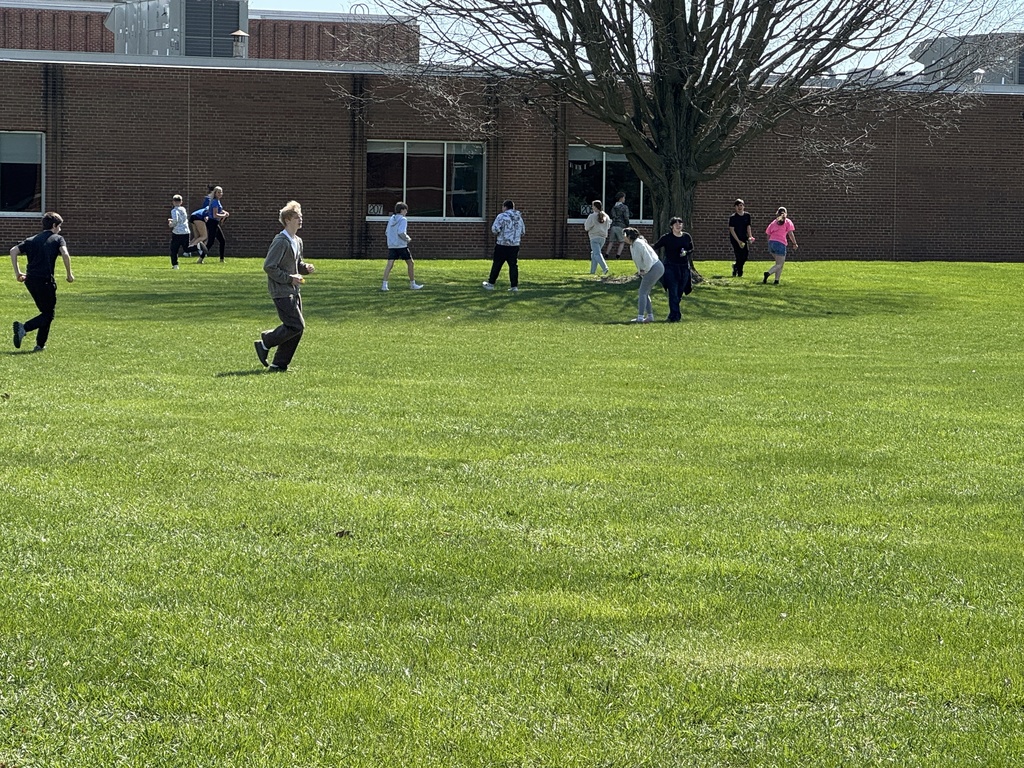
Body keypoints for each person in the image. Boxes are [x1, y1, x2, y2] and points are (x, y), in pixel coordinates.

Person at [253, 201, 314, 372]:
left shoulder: (297, 241)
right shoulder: (281, 241)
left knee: (296, 329)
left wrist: (305, 268)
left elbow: (295, 263)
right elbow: (269, 266)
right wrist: (289, 278)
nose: (300, 219)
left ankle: (279, 364)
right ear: (287, 220)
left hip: (294, 290)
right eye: (297, 217)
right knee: (296, 325)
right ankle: (266, 341)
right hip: (281, 291)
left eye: (300, 216)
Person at [10, 211, 75, 352]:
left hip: (30, 280)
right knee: (48, 314)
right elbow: (65, 253)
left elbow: (13, 250)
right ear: (54, 225)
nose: (60, 229)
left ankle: (40, 345)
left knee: (45, 312)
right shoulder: (57, 238)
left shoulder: (31, 240)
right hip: (45, 281)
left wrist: (17, 273)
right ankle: (24, 328)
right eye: (59, 226)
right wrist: (69, 274)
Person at [651, 217, 693, 323]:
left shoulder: (686, 236)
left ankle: (672, 314)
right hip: (670, 267)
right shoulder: (667, 238)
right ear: (671, 226)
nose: (678, 225)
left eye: (680, 223)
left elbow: (691, 248)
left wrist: (686, 252)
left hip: (683, 267)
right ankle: (676, 316)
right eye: (676, 224)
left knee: (679, 292)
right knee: (673, 292)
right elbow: (655, 246)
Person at [623, 227, 664, 323]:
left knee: (642, 292)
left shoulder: (638, 244)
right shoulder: (633, 245)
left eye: (624, 235)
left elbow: (648, 259)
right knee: (645, 293)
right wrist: (641, 271)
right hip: (651, 268)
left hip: (654, 267)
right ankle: (650, 317)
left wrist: (645, 270)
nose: (623, 238)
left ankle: (640, 317)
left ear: (629, 236)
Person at [483, 199, 525, 292]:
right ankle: (514, 286)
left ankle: (491, 284)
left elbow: (495, 229)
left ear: (505, 207)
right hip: (515, 245)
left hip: (502, 244)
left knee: (497, 264)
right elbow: (523, 232)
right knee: (513, 265)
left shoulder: (501, 216)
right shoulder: (519, 218)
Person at [381, 201, 423, 291]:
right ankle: (412, 284)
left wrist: (391, 241)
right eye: (405, 210)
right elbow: (401, 232)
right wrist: (407, 239)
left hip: (392, 245)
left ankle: (384, 285)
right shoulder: (403, 220)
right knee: (410, 263)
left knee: (389, 264)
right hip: (401, 246)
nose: (406, 212)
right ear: (402, 210)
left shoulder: (392, 219)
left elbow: (387, 232)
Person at [763, 206, 799, 284]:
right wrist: (794, 243)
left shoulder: (773, 222)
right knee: (780, 264)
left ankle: (776, 280)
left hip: (772, 243)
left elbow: (768, 234)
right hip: (780, 244)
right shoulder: (788, 222)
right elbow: (790, 233)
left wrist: (769, 243)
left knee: (778, 263)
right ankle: (768, 273)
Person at [583, 200, 611, 276]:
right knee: (594, 254)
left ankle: (605, 268)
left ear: (595, 207)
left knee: (597, 254)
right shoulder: (606, 216)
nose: (592, 207)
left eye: (592, 206)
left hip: (594, 237)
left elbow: (587, 227)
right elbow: (608, 226)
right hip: (603, 238)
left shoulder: (592, 216)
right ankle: (592, 271)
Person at [728, 198, 754, 277]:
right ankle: (739, 272)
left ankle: (736, 266)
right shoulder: (733, 217)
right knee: (738, 255)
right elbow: (732, 230)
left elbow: (748, 227)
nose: (739, 207)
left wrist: (750, 236)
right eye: (737, 206)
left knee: (745, 255)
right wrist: (738, 241)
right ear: (735, 207)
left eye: (741, 205)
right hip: (735, 239)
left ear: (743, 206)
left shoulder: (747, 215)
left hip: (744, 238)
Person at [204, 185, 230, 262]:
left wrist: (224, 212)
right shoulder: (215, 202)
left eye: (221, 192)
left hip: (215, 223)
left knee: (222, 240)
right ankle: (201, 258)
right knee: (210, 242)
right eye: (218, 192)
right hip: (212, 222)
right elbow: (215, 215)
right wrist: (224, 215)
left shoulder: (217, 201)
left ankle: (221, 259)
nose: (220, 194)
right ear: (215, 193)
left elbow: (218, 211)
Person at [604, 192, 630, 259]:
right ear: (621, 198)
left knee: (611, 241)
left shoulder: (613, 207)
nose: (624, 199)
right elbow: (626, 217)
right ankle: (618, 256)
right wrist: (628, 225)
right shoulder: (624, 207)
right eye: (624, 197)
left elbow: (612, 216)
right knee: (622, 241)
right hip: (620, 226)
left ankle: (606, 254)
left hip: (613, 226)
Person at [168, 194, 189, 269]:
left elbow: (176, 220)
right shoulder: (183, 209)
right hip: (186, 231)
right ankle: (198, 246)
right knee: (186, 248)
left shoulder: (174, 210)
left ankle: (175, 265)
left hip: (177, 232)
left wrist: (171, 224)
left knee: (174, 249)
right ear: (181, 202)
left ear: (173, 202)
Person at [187, 191, 210, 260]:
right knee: (204, 236)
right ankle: (190, 249)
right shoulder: (212, 204)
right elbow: (207, 210)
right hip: (199, 217)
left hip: (193, 215)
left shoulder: (208, 202)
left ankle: (187, 250)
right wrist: (206, 216)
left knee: (197, 236)